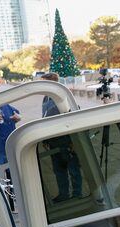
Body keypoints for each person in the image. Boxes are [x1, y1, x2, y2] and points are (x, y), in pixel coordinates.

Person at [40, 72, 84, 201]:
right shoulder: (46, 98)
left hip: (66, 139)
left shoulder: (62, 95)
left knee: (73, 169)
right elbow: (45, 117)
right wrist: (45, 139)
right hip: (53, 140)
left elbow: (74, 113)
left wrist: (74, 140)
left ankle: (77, 194)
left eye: (43, 82)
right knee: (59, 171)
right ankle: (63, 194)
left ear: (51, 82)